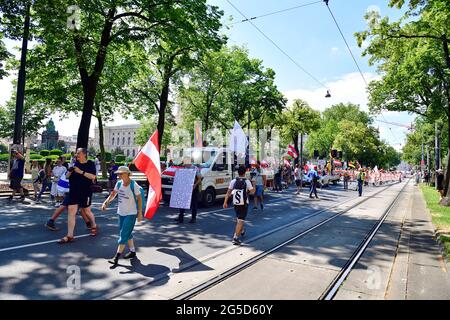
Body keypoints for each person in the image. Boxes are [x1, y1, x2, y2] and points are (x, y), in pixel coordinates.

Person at [102, 166, 143, 266]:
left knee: (123, 234)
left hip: (131, 213)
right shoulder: (119, 183)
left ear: (127, 174)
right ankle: (132, 252)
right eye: (118, 174)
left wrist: (140, 212)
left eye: (121, 173)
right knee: (127, 233)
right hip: (121, 212)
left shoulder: (134, 185)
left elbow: (139, 199)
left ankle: (116, 257)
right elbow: (113, 194)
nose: (119, 175)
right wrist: (106, 202)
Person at [58, 148, 98, 244]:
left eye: (78, 153)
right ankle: (70, 235)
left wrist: (81, 172)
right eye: (76, 153)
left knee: (87, 211)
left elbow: (93, 177)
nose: (76, 155)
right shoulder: (75, 163)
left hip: (85, 191)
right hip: (74, 191)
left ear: (84, 154)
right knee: (71, 211)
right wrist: (70, 171)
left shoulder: (90, 164)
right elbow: (67, 176)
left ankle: (94, 226)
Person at [223, 165, 255, 245]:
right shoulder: (247, 181)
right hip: (243, 203)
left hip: (235, 203)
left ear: (238, 172)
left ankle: (242, 230)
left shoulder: (233, 181)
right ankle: (235, 237)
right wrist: (254, 184)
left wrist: (225, 202)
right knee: (241, 219)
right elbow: (252, 192)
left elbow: (228, 192)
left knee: (239, 217)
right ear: (245, 172)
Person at [174, 158, 202, 224]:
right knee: (182, 203)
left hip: (194, 188)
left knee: (194, 203)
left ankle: (193, 218)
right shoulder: (184, 169)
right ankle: (181, 218)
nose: (184, 164)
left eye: (185, 163)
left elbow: (199, 179)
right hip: (185, 188)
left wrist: (194, 185)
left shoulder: (195, 169)